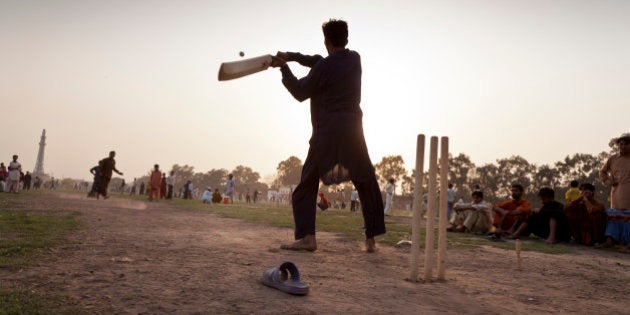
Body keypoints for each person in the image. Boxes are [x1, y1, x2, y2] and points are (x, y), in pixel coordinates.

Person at [271, 19, 386, 253]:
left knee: (307, 184)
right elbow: (319, 60)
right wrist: (291, 56)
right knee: (365, 181)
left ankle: (307, 238)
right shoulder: (354, 59)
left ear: (326, 41)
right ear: (346, 39)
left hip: (328, 131)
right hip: (354, 130)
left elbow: (300, 91)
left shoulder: (323, 69)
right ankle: (371, 239)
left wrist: (284, 67)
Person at [598, 132, 630, 250]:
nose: (622, 146)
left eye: (625, 144)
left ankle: (628, 244)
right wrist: (608, 182)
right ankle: (609, 241)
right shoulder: (613, 159)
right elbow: (602, 172)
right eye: (620, 144)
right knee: (614, 216)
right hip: (616, 193)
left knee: (628, 218)